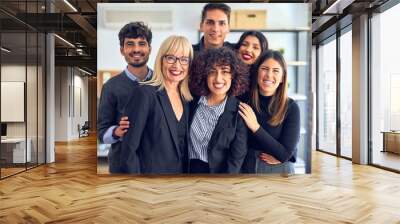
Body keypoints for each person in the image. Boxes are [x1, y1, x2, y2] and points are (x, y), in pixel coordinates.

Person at [120, 35, 193, 174]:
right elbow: (129, 151)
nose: (177, 66)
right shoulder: (144, 94)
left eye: (184, 60)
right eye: (171, 58)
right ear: (161, 60)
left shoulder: (187, 99)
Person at [97, 22, 153, 173]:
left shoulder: (161, 83)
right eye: (130, 44)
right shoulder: (110, 87)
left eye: (141, 43)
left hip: (156, 164)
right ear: (122, 50)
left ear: (149, 48)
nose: (136, 49)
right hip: (122, 166)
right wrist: (116, 131)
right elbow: (101, 133)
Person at [238, 50, 300, 175]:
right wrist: (278, 150)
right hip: (246, 167)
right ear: (257, 72)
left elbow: (285, 154)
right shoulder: (243, 100)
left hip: (279, 171)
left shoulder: (291, 108)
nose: (269, 75)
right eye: (264, 69)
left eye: (276, 71)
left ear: (282, 78)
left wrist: (255, 127)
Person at [188, 47, 249, 174]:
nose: (218, 78)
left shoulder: (239, 112)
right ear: (204, 75)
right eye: (212, 71)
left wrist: (223, 186)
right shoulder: (192, 102)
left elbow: (236, 159)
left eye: (225, 71)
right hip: (186, 174)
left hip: (219, 178)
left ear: (234, 76)